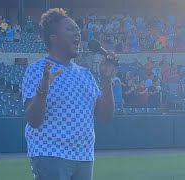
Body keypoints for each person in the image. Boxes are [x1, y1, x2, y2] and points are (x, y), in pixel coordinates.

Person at [22, 8, 115, 180]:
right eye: (70, 29)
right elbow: (33, 121)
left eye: (78, 30)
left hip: (84, 155)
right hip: (50, 153)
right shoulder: (36, 70)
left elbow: (106, 116)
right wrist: (43, 90)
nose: (77, 34)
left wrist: (106, 79)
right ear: (53, 38)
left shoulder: (85, 74)